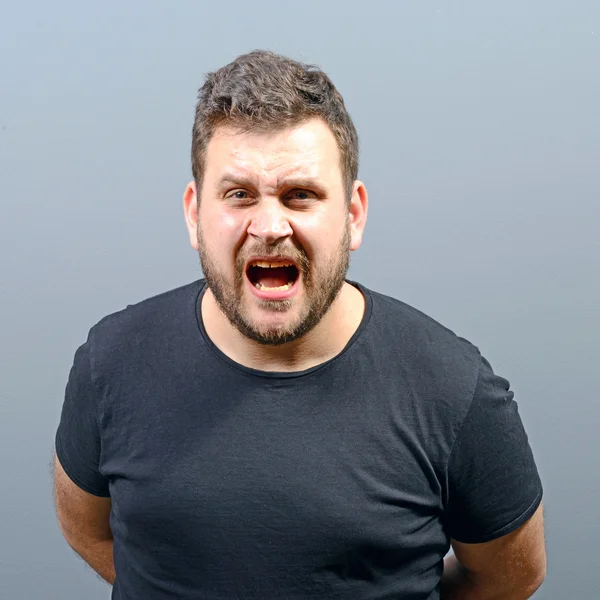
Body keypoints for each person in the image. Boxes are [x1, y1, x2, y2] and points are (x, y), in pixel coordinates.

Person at [53, 50, 546, 600]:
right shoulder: (111, 361)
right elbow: (85, 527)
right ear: (194, 215)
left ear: (353, 215)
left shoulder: (453, 388)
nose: (269, 226)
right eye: (238, 194)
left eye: (300, 195)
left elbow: (510, 575)